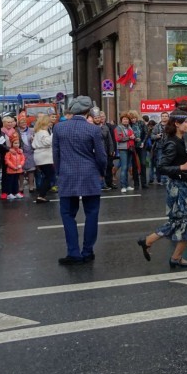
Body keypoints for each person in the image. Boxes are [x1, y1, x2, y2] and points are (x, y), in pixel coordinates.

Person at [137, 110, 187, 268]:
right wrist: (182, 167)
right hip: (178, 187)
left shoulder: (179, 140)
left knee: (182, 221)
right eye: (186, 121)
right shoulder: (172, 142)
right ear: (177, 124)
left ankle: (152, 244)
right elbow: (161, 167)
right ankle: (170, 254)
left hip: (183, 185)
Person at [53, 96, 108, 265]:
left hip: (67, 175)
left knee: (67, 214)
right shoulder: (93, 130)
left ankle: (73, 253)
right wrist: (102, 172)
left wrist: (59, 173)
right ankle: (87, 251)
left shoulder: (59, 128)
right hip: (90, 174)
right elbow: (101, 156)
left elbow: (56, 154)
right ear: (88, 111)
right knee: (92, 214)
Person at [32, 114, 54, 203]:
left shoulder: (38, 132)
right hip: (44, 156)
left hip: (39, 155)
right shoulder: (43, 132)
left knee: (47, 176)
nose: (50, 124)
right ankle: (41, 194)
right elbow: (48, 142)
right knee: (50, 176)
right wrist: (53, 135)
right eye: (49, 122)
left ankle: (41, 194)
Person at [114, 113, 136, 193]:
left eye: (127, 119)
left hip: (130, 148)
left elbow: (132, 136)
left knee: (127, 168)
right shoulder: (118, 128)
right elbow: (118, 138)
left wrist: (135, 138)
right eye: (124, 119)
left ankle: (127, 185)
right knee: (124, 167)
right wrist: (129, 137)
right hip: (123, 149)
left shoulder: (130, 127)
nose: (126, 120)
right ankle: (123, 186)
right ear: (121, 120)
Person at [3, 135, 26, 201]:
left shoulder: (20, 152)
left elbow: (23, 159)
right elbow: (7, 160)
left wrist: (20, 165)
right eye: (15, 143)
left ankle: (16, 192)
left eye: (18, 143)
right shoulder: (9, 152)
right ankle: (9, 193)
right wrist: (13, 166)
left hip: (18, 169)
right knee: (10, 181)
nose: (17, 145)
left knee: (16, 181)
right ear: (12, 144)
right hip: (11, 170)